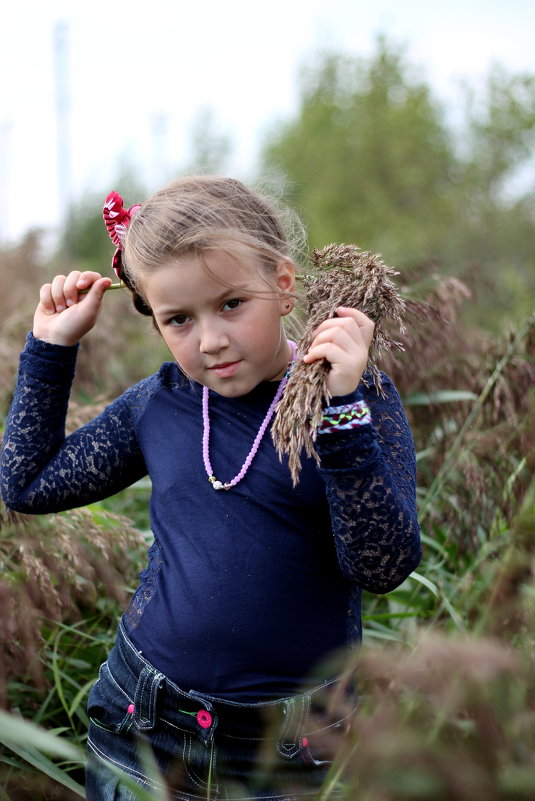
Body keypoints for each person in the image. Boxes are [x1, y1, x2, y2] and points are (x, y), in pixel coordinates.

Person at [0, 176, 421, 800]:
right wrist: (50, 347)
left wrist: (340, 411)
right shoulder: (161, 405)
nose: (211, 340)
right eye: (178, 319)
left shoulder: (356, 402)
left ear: (282, 284)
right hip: (144, 726)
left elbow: (381, 564)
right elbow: (28, 483)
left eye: (231, 305)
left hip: (291, 750)